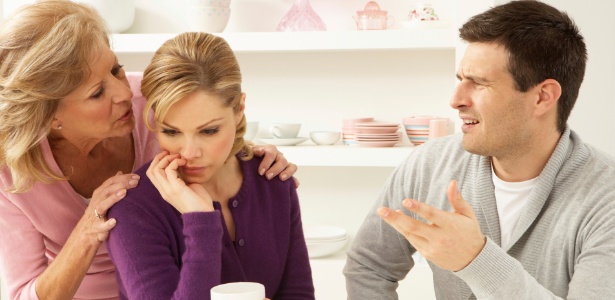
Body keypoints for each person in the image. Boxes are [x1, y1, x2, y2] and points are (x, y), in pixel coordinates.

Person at [0, 1, 297, 299]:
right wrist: (87, 231)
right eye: (97, 93)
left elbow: (209, 124)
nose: (125, 92)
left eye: (116, 70)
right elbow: (22, 295)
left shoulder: (148, 103)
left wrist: (250, 156)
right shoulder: (11, 171)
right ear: (50, 117)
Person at [344, 1, 615, 299]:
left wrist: (476, 260)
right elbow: (369, 267)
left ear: (542, 97)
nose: (456, 100)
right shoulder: (429, 164)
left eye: (479, 83)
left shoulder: (606, 199)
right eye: (461, 79)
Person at [105, 32, 315, 299]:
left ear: (239, 109)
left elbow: (299, 294)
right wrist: (200, 222)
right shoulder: (134, 210)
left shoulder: (273, 180)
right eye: (171, 132)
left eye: (209, 131)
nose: (189, 152)